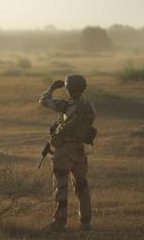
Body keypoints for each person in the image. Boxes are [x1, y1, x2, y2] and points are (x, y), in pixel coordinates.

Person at [39, 74, 95, 232]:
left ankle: (59, 222)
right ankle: (85, 222)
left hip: (64, 151)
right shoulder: (90, 106)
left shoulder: (67, 105)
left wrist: (51, 88)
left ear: (68, 88)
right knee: (82, 186)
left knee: (61, 186)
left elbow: (43, 100)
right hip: (80, 150)